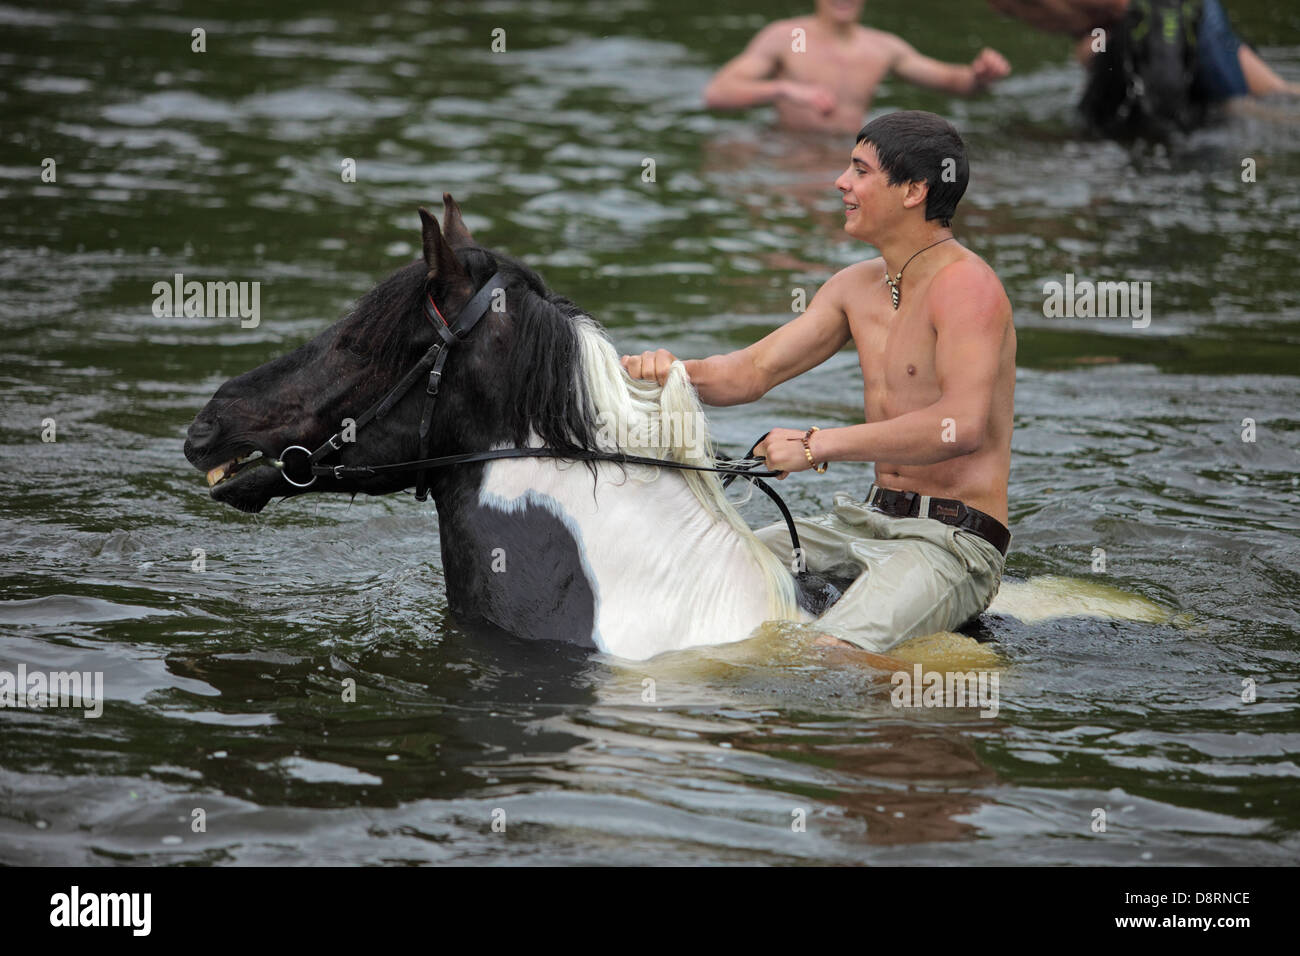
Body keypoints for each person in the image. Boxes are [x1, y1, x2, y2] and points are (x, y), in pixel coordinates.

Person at [621, 111, 1016, 655]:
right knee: (700, 567)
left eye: (859, 170)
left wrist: (816, 445)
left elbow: (961, 427)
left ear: (915, 190)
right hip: (866, 522)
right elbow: (752, 371)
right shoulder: (855, 285)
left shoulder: (967, 286)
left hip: (952, 543)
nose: (840, 183)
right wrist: (660, 375)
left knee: (828, 655)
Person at [704, 0, 1011, 134]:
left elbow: (950, 81)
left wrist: (980, 76)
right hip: (789, 155)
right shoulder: (789, 37)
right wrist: (784, 89)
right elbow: (718, 93)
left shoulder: (881, 46)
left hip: (848, 157)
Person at [988, 0, 1299, 103]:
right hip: (1185, 15)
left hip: (1179, 16)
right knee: (1273, 93)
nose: (1032, 24)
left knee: (1244, 104)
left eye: (1014, 12)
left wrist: (1096, 48)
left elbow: (1124, 7)